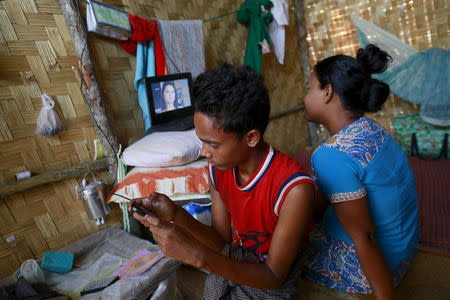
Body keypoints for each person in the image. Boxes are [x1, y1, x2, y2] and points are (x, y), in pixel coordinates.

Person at [131, 63, 315, 298]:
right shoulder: (219, 170)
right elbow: (221, 243)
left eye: (213, 144)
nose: (205, 152)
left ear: (251, 138)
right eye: (202, 141)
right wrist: (175, 215)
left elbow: (274, 277)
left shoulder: (293, 190)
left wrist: (197, 256)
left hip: (269, 286)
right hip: (235, 265)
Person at [300, 44, 419, 299]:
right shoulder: (371, 129)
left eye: (309, 88)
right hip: (406, 248)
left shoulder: (331, 155)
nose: (305, 96)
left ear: (328, 92)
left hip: (381, 265)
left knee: (284, 246)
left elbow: (364, 238)